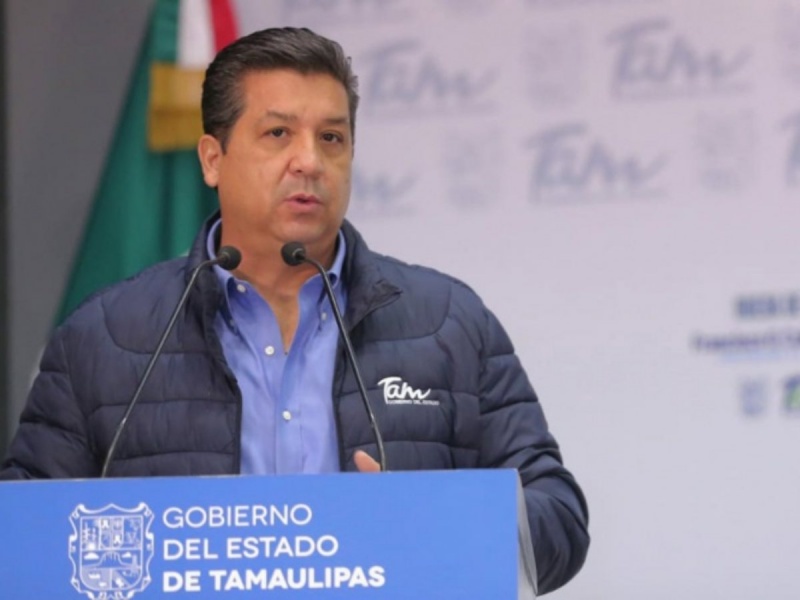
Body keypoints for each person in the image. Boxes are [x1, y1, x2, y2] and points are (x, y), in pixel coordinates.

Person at [1, 27, 589, 593]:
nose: (308, 160)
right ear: (212, 159)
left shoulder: (447, 323)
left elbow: (557, 516)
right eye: (278, 133)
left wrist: (433, 523)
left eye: (331, 138)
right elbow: (20, 536)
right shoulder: (106, 336)